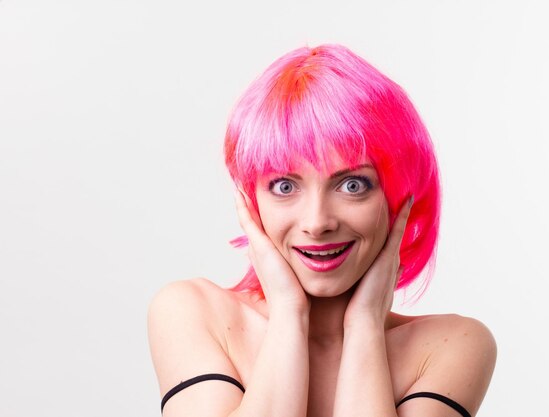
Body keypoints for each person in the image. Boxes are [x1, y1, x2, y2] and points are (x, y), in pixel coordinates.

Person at [148, 44, 496, 417]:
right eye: (284, 186)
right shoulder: (193, 313)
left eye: (352, 185)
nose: (317, 222)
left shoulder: (449, 347)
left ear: (399, 196)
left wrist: (364, 326)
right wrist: (288, 313)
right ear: (251, 200)